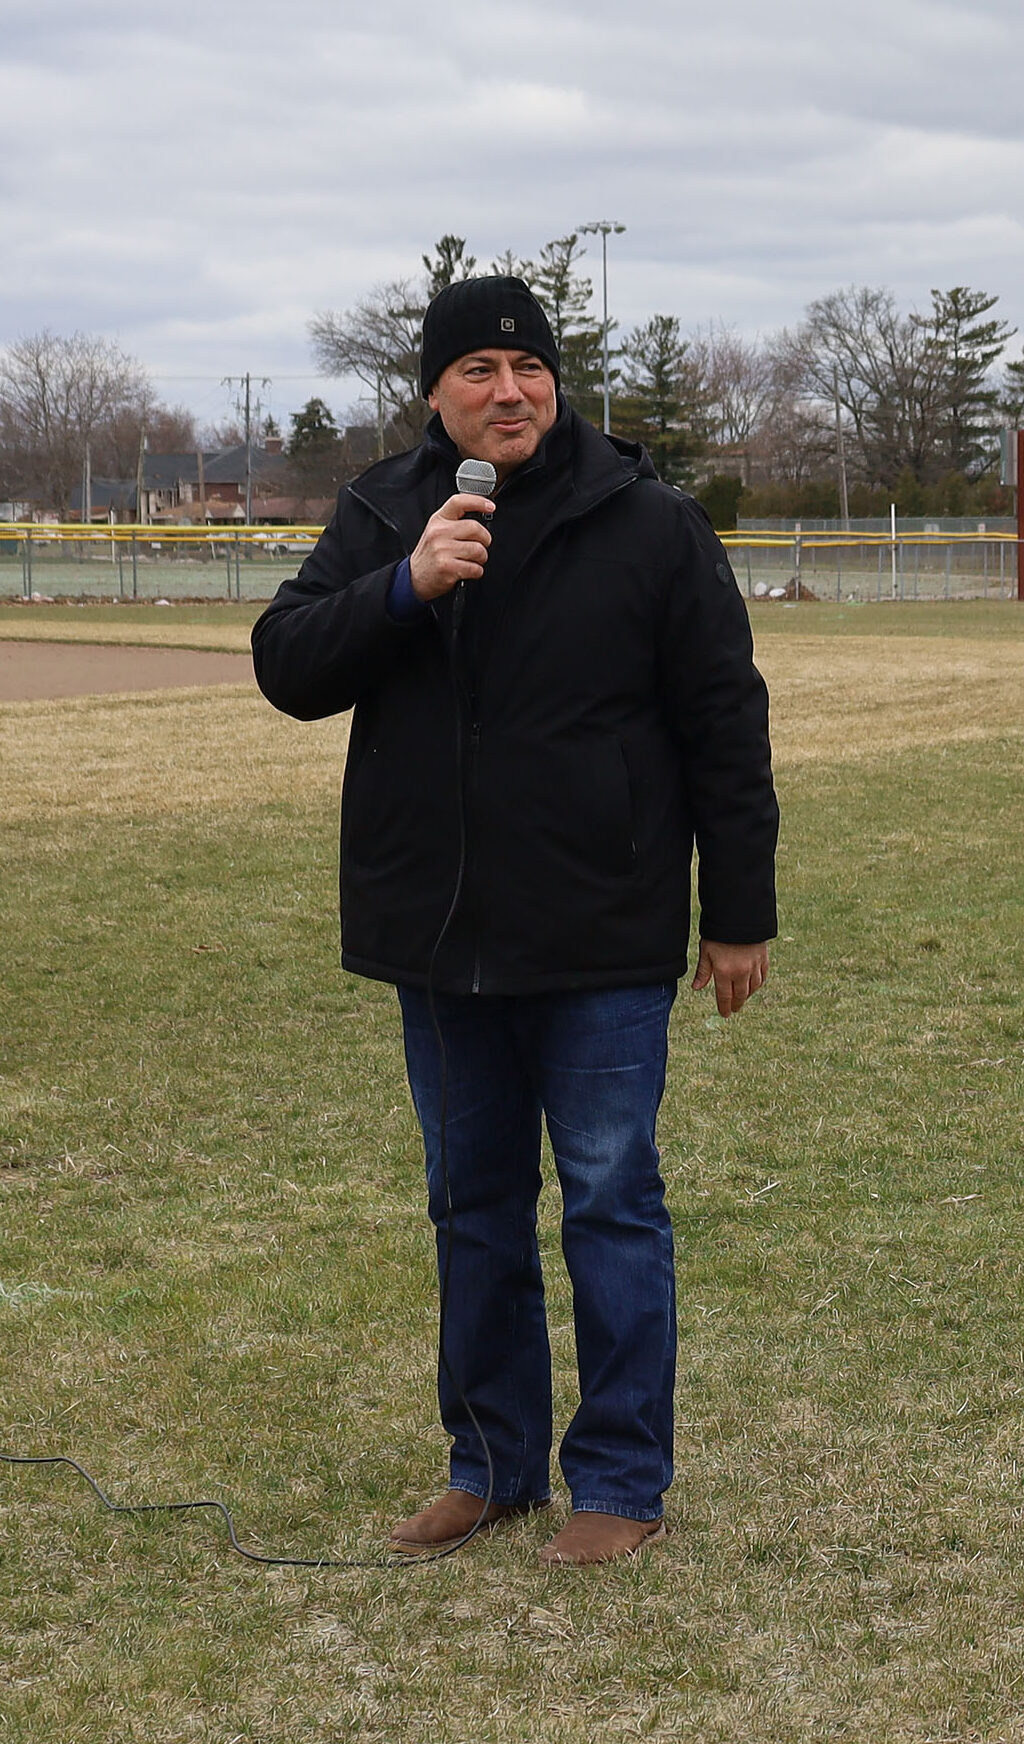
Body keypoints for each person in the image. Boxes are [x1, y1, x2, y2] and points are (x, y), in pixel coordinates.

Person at [253, 274, 778, 1566]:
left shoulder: (648, 523)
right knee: (471, 1204)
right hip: (437, 937)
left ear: (556, 382)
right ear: (434, 391)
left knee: (608, 1200)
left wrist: (740, 910)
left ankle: (617, 1481)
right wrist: (403, 588)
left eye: (527, 366)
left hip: (602, 930)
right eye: (478, 369)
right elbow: (286, 665)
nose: (509, 390)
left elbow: (725, 720)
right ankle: (490, 1467)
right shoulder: (386, 511)